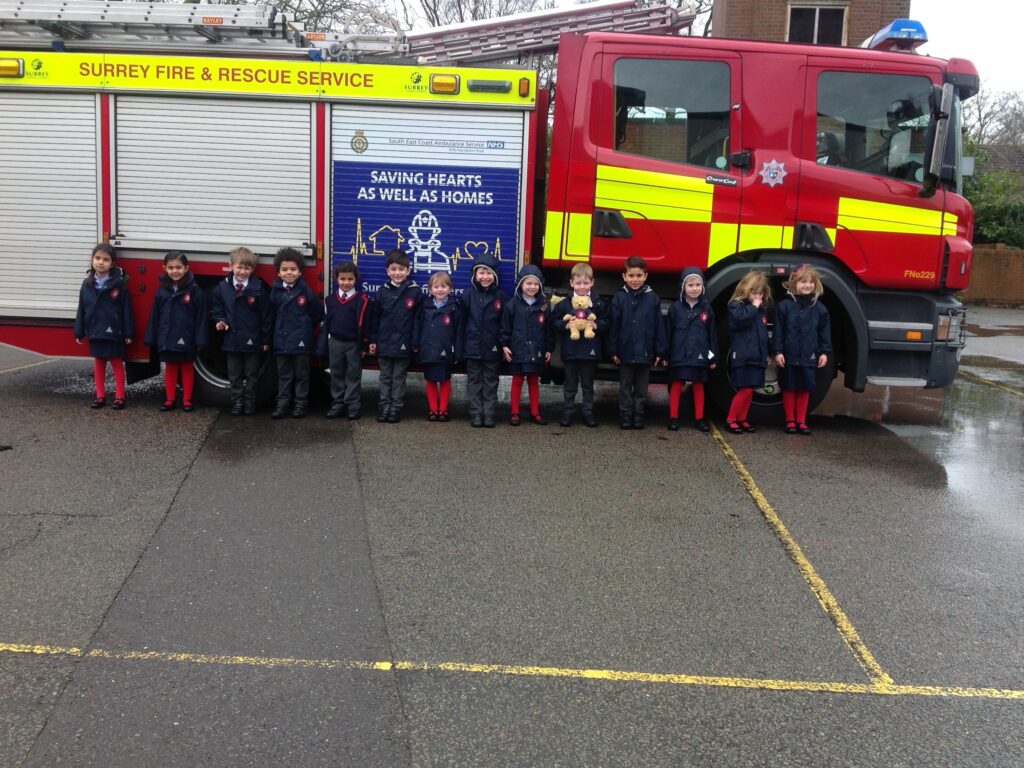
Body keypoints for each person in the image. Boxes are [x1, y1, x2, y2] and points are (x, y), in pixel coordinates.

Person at [144, 251, 207, 412]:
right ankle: (170, 399)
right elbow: (154, 316)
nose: (175, 271)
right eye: (171, 268)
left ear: (187, 268)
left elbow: (201, 317)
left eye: (178, 267)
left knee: (186, 367)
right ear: (164, 268)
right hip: (167, 338)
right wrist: (151, 337)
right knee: (170, 367)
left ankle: (187, 400)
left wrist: (200, 339)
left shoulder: (194, 291)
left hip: (187, 337)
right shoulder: (161, 291)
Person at [211, 247, 270, 416]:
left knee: (252, 373)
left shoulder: (258, 288)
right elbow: (217, 309)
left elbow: (266, 315)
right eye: (239, 267)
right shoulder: (222, 288)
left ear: (253, 269)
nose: (243, 272)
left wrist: (265, 340)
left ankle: (250, 402)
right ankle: (237, 402)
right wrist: (220, 321)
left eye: (247, 268)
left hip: (253, 339)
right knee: (234, 374)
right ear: (231, 266)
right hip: (231, 339)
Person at [772, 264, 831, 435]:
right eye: (803, 281)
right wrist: (778, 351)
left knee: (805, 388)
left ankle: (801, 421)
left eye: (811, 282)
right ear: (793, 284)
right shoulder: (784, 306)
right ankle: (790, 421)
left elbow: (824, 333)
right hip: (789, 355)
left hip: (809, 356)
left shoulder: (820, 309)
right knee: (789, 387)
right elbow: (778, 331)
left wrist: (825, 352)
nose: (807, 285)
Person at [74, 243, 134, 410]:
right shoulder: (86, 284)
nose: (101, 262)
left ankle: (120, 396)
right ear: (92, 260)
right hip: (95, 331)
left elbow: (127, 309)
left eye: (106, 259)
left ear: (112, 263)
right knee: (98, 365)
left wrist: (128, 333)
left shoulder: (119, 284)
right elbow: (82, 309)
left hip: (114, 332)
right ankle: (100, 396)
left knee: (116, 364)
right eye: (97, 258)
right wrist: (79, 331)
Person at [658, 267, 717, 432]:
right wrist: (665, 354)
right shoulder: (675, 308)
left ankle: (699, 419)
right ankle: (673, 417)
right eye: (690, 285)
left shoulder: (707, 309)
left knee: (698, 385)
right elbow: (668, 332)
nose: (694, 288)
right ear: (683, 287)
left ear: (703, 286)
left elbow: (712, 335)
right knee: (676, 384)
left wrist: (712, 357)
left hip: (699, 354)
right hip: (679, 353)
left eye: (698, 284)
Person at [268, 247, 322, 419]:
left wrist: (304, 328)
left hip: (301, 342)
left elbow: (316, 313)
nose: (289, 273)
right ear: (278, 272)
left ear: (300, 272)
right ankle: (282, 404)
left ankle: (300, 405)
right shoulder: (275, 292)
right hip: (281, 341)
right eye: (284, 269)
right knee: (284, 375)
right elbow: (271, 314)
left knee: (302, 375)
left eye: (293, 269)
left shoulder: (306, 292)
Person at [608, 256, 661, 430]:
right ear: (624, 277)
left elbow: (659, 326)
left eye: (639, 275)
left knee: (641, 389)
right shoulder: (619, 298)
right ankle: (625, 415)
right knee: (624, 387)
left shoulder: (652, 298)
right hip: (625, 352)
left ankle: (638, 416)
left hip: (645, 353)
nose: (635, 279)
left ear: (645, 276)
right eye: (631, 275)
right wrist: (613, 350)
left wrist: (659, 351)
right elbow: (613, 326)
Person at [554, 263, 609, 427]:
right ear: (571, 283)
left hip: (589, 352)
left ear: (592, 283)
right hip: (570, 351)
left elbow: (608, 322)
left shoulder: (598, 304)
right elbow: (554, 321)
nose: (582, 287)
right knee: (570, 384)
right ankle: (568, 412)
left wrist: (597, 325)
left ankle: (588, 413)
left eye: (585, 283)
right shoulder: (565, 304)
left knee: (587, 385)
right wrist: (564, 325)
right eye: (578, 283)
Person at [370, 249, 421, 424]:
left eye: (401, 269)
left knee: (398, 377)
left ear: (408, 270)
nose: (397, 273)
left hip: (403, 344)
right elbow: (375, 318)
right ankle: (384, 406)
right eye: (393, 269)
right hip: (384, 343)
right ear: (387, 271)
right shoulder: (382, 292)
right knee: (385, 376)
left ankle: (396, 408)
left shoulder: (415, 292)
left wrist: (415, 342)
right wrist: (373, 340)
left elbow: (418, 319)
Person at [499, 264, 553, 425]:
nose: (532, 287)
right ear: (520, 284)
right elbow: (505, 327)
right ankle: (514, 412)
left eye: (536, 284)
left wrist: (549, 348)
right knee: (517, 380)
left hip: (536, 349)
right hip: (518, 348)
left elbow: (548, 329)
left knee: (533, 380)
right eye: (528, 283)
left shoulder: (544, 306)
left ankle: (535, 412)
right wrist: (504, 345)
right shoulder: (512, 305)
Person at [459, 253, 508, 428]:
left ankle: (489, 414)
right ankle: (476, 414)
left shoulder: (501, 297)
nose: (485, 277)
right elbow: (462, 323)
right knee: (474, 382)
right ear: (475, 275)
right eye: (481, 273)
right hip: (472, 347)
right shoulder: (467, 296)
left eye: (489, 273)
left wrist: (503, 345)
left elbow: (505, 325)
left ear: (495, 275)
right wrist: (460, 348)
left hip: (492, 349)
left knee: (490, 382)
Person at [321, 260, 371, 421]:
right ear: (337, 279)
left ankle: (353, 405)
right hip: (335, 342)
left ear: (355, 279)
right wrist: (325, 343)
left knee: (353, 374)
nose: (346, 283)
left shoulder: (362, 300)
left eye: (350, 279)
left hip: (353, 344)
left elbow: (365, 324)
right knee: (336, 373)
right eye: (342, 279)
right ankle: (337, 404)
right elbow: (326, 322)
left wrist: (363, 345)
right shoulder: (329, 300)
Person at [724, 270, 771, 434]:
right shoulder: (736, 306)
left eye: (760, 293)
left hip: (756, 356)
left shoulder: (760, 311)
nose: (757, 297)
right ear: (745, 289)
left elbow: (763, 335)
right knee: (744, 389)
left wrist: (765, 354)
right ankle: (731, 419)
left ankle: (742, 418)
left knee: (750, 390)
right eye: (754, 292)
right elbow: (740, 320)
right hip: (743, 356)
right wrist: (753, 307)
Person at [416, 271, 462, 422]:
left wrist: (457, 351)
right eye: (436, 287)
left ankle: (443, 409)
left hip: (446, 350)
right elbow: (418, 326)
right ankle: (432, 409)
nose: (440, 290)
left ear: (450, 289)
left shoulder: (454, 308)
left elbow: (459, 331)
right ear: (430, 290)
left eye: (444, 286)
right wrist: (416, 344)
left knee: (444, 380)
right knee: (430, 380)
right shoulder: (425, 306)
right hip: (428, 350)